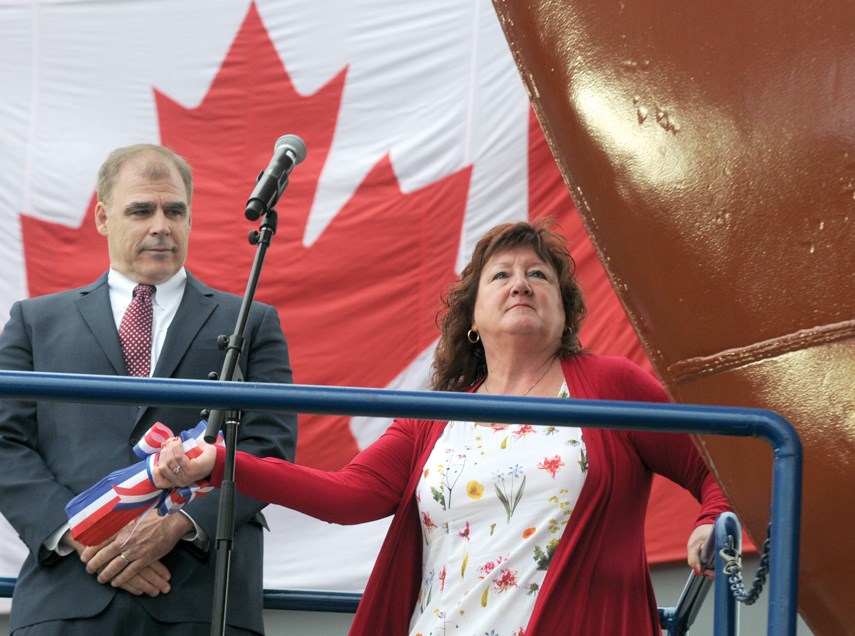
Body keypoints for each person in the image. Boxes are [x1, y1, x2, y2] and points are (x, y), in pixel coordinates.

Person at [155, 220, 730, 635]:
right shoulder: (434, 416)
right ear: (474, 320)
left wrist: (711, 521)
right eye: (501, 276)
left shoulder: (612, 384)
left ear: (564, 312)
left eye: (539, 276)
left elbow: (715, 469)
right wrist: (225, 463)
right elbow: (348, 496)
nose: (521, 284)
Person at [0, 143, 297, 635]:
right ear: (102, 217)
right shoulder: (35, 322)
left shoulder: (249, 322)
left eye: (175, 211)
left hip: (200, 596)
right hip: (69, 594)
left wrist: (177, 525)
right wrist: (85, 535)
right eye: (141, 210)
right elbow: (5, 444)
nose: (161, 225)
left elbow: (270, 446)